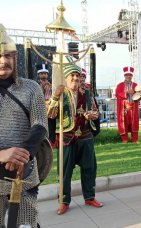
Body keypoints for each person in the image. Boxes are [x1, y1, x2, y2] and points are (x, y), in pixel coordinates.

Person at [0, 24, 48, 227]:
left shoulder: (31, 88)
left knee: (25, 223)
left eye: (9, 55)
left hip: (23, 174)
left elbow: (40, 125)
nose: (4, 61)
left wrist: (22, 154)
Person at [48, 58, 103, 215]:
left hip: (85, 136)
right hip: (66, 137)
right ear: (66, 78)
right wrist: (54, 98)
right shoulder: (60, 92)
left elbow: (95, 111)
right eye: (72, 76)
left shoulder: (86, 93)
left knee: (90, 168)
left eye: (78, 76)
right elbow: (50, 115)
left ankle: (90, 197)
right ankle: (64, 201)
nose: (76, 79)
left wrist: (92, 115)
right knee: (64, 171)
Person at [115, 66, 140, 143]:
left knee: (134, 123)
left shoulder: (136, 85)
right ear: (124, 76)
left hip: (133, 107)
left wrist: (140, 95)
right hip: (124, 108)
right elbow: (117, 94)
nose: (128, 76)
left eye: (130, 75)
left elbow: (138, 95)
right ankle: (124, 139)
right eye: (127, 75)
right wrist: (126, 93)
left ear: (132, 76)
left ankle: (134, 139)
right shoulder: (120, 85)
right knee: (124, 123)